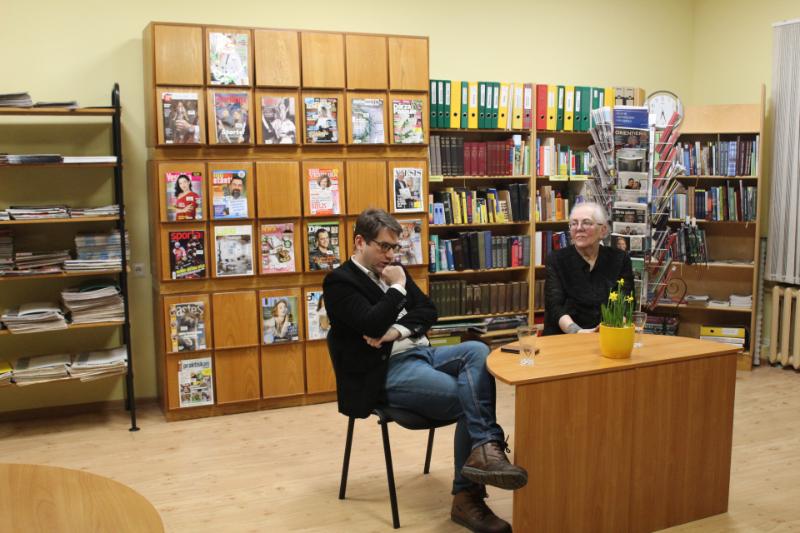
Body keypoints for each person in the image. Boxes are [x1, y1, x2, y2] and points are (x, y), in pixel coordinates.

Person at [323, 207, 527, 533]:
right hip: (385, 372)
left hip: (422, 353)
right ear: (360, 242)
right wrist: (397, 289)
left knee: (477, 349)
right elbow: (371, 323)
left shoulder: (393, 270)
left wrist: (395, 331)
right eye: (383, 246)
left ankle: (486, 449)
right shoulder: (339, 282)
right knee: (469, 399)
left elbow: (428, 310)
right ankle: (467, 495)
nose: (390, 255)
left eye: (394, 247)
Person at [544, 202, 634, 336]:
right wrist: (577, 331)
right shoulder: (556, 259)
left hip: (608, 335)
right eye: (574, 223)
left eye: (586, 223)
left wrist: (611, 329)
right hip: (565, 337)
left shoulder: (620, 259)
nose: (579, 228)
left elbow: (625, 303)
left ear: (602, 231)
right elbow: (555, 306)